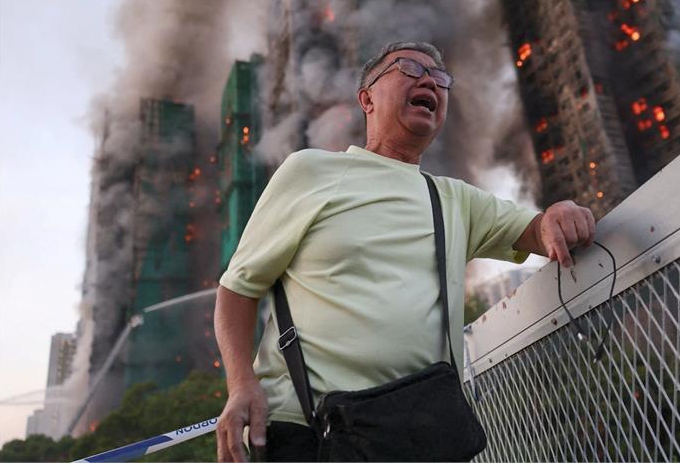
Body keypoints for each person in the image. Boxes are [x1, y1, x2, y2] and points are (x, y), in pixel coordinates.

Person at [214, 41, 596, 461]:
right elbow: (238, 288)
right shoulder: (311, 171)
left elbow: (537, 229)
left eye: (441, 78)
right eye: (410, 68)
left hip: (420, 435)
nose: (430, 79)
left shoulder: (455, 199)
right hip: (310, 432)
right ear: (367, 98)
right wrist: (240, 383)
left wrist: (559, 214)